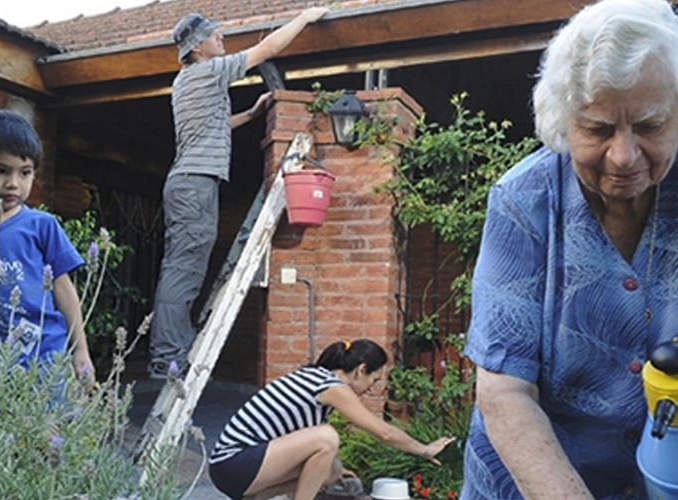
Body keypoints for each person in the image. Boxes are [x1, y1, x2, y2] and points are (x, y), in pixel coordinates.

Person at [460, 0, 678, 498]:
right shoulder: (523, 203)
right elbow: (506, 393)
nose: (624, 156)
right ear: (563, 121)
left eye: (651, 126)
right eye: (597, 129)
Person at [148, 6, 330, 378]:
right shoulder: (208, 71)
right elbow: (267, 48)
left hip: (191, 182)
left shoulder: (188, 80)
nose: (221, 38)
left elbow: (212, 126)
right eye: (215, 35)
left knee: (186, 267)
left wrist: (250, 114)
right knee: (184, 268)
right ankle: (167, 356)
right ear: (196, 47)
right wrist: (306, 17)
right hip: (194, 183)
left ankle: (173, 349)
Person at [209, 339, 455, 500]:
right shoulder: (330, 385)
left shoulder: (316, 377)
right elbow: (384, 432)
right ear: (361, 370)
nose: (372, 388)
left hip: (233, 473)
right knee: (327, 438)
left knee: (332, 469)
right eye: (374, 379)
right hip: (234, 464)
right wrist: (424, 450)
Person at [0, 109, 96, 387]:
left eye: (25, 173)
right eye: (0, 170)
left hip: (42, 362)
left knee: (46, 430)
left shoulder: (41, 226)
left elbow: (64, 291)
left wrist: (81, 351)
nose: (13, 183)